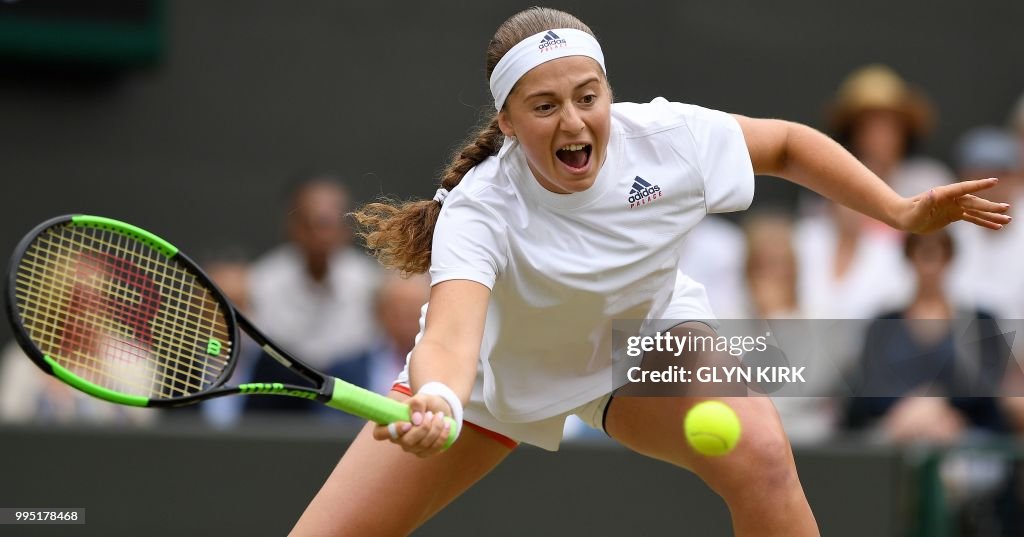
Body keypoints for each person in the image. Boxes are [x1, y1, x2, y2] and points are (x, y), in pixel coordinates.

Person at [290, 8, 1011, 536]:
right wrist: (440, 395)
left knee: (760, 449)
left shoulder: (667, 140)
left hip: (638, 344)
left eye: (587, 96)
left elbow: (788, 146)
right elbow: (449, 335)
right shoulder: (482, 208)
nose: (573, 122)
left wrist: (899, 209)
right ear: (507, 122)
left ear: (609, 91)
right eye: (544, 107)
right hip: (488, 380)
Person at [245, 174, 381, 416]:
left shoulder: (369, 284)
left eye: (328, 224)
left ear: (345, 229)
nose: (320, 235)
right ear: (293, 228)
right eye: (311, 224)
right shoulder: (263, 281)